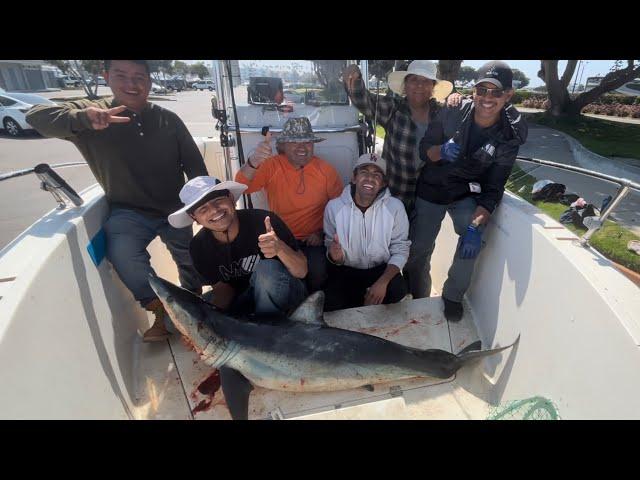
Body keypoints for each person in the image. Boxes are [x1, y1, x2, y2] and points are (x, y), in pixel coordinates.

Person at [25, 60, 208, 342]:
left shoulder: (168, 119)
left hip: (174, 207)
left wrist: (199, 206)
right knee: (123, 252)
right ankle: (160, 310)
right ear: (106, 77)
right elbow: (35, 116)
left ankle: (194, 303)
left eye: (139, 77)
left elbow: (195, 166)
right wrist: (83, 118)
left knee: (190, 255)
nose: (131, 84)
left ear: (149, 81)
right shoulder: (89, 114)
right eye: (121, 76)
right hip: (128, 209)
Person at [404, 61, 528, 321]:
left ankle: (452, 296)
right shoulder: (453, 110)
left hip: (465, 193)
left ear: (508, 95)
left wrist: (476, 224)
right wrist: (440, 151)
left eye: (496, 92)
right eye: (482, 90)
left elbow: (494, 187)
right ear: (474, 92)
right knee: (419, 248)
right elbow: (424, 148)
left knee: (474, 239)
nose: (487, 98)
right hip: (432, 188)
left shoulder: (509, 135)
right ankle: (418, 296)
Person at [169, 176, 308, 317]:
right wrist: (203, 324)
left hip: (286, 294)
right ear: (194, 218)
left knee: (268, 269)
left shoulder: (264, 221)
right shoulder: (198, 247)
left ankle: (267, 327)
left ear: (231, 199)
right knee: (187, 313)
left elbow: (302, 271)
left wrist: (280, 248)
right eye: (203, 209)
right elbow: (223, 291)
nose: (214, 210)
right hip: (245, 297)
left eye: (218, 201)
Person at [235, 117, 343, 292]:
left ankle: (311, 304)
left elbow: (340, 209)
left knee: (318, 271)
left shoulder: (326, 171)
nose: (302, 147)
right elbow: (241, 188)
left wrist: (321, 233)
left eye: (307, 142)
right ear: (283, 145)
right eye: (294, 141)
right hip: (280, 238)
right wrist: (253, 161)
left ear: (313, 145)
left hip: (313, 241)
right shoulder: (271, 165)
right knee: (268, 275)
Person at [343, 60, 457, 213]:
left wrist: (457, 98)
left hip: (428, 195)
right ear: (405, 85)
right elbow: (362, 99)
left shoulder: (442, 113)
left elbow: (470, 116)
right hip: (395, 192)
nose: (419, 86)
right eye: (414, 80)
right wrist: (355, 75)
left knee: (421, 237)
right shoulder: (393, 108)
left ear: (433, 87)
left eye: (426, 81)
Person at [323, 153, 410, 311]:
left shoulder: (395, 207)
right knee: (330, 305)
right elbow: (329, 243)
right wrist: (335, 257)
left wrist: (382, 283)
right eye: (364, 172)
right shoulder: (333, 207)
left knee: (398, 290)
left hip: (380, 271)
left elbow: (401, 249)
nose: (370, 178)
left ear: (383, 183)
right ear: (354, 178)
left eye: (376, 175)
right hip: (347, 272)